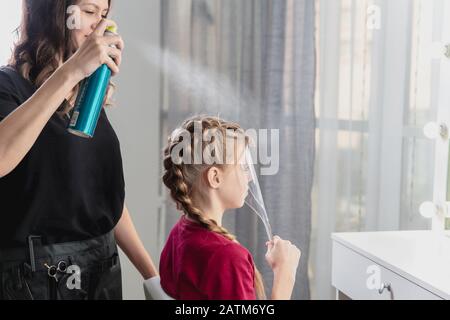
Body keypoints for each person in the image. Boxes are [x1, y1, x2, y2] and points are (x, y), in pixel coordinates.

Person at [0, 0, 157, 300]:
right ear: (53, 13)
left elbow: (100, 196)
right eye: (88, 12)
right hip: (34, 282)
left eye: (104, 15)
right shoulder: (8, 88)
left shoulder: (87, 98)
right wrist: (71, 71)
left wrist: (151, 276)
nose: (99, 26)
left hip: (102, 275)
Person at [160, 115, 301, 300]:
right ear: (215, 178)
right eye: (243, 167)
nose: (249, 177)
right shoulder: (227, 258)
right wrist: (285, 276)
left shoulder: (179, 234)